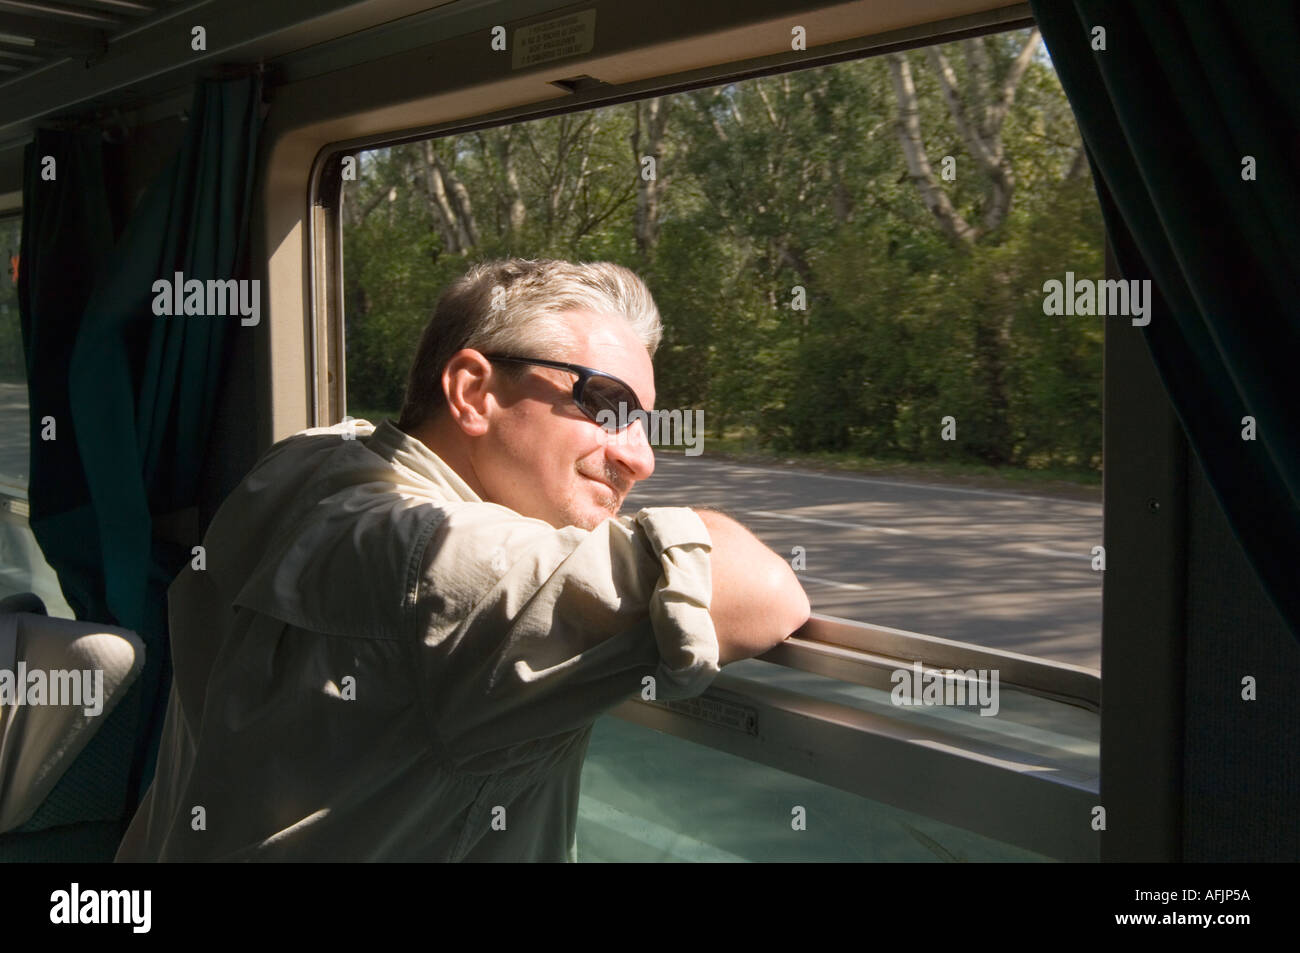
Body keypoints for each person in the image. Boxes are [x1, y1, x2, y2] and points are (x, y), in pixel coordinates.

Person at [115, 258, 809, 862]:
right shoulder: (451, 565)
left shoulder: (307, 464)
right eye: (605, 405)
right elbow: (765, 593)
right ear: (474, 391)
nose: (642, 457)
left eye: (644, 422)